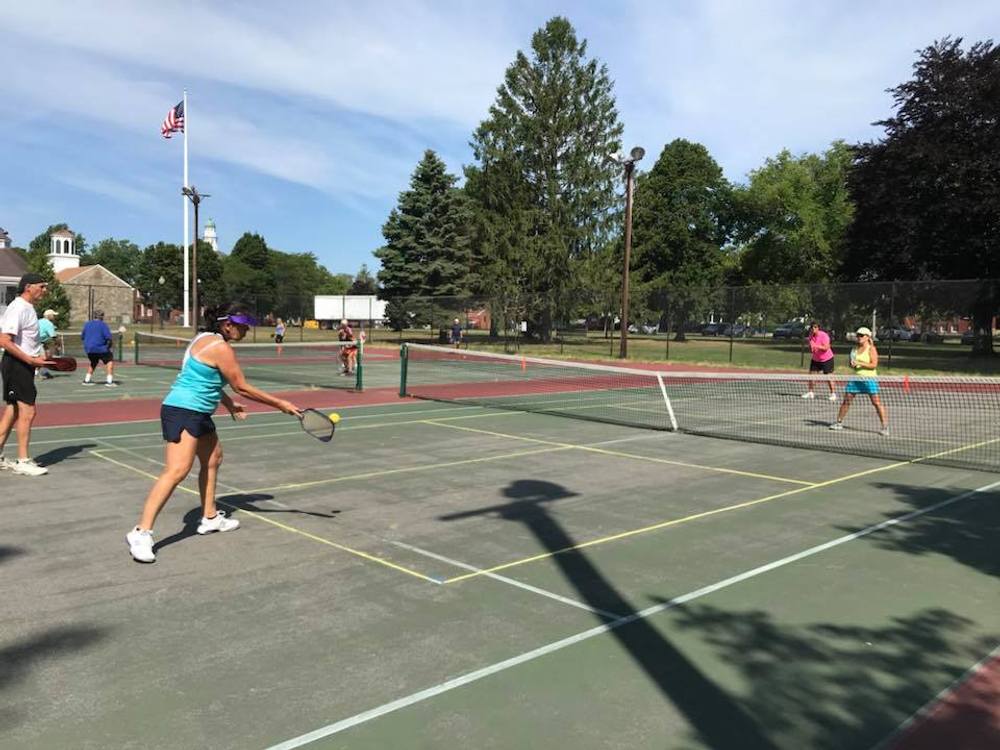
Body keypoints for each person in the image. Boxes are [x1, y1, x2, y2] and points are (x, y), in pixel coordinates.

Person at [125, 303, 302, 563]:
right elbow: (241, 386)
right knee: (177, 470)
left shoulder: (205, 338)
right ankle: (141, 532)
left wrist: (229, 404)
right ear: (226, 325)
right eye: (242, 325)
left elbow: (208, 379)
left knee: (213, 458)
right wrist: (281, 404)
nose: (245, 330)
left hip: (198, 411)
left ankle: (209, 517)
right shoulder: (220, 347)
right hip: (183, 410)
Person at [0, 273, 54, 476]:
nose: (45, 290)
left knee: (13, 411)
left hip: (24, 365)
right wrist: (30, 360)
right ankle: (23, 460)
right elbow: (4, 340)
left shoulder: (29, 308)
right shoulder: (18, 307)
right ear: (28, 287)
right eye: (42, 286)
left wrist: (35, 360)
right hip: (17, 365)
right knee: (28, 411)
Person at [830, 326, 888, 436]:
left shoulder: (871, 349)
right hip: (856, 379)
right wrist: (852, 364)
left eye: (861, 335)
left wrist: (860, 363)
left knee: (876, 402)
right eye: (858, 335)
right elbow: (852, 364)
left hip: (869, 379)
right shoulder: (854, 350)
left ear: (867, 337)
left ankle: (885, 426)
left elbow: (873, 365)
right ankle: (839, 422)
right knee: (846, 400)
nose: (859, 337)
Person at [802, 321, 837, 401]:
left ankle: (833, 393)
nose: (813, 329)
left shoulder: (824, 336)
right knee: (812, 375)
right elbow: (811, 348)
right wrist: (812, 348)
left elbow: (826, 348)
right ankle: (810, 392)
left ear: (818, 328)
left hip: (827, 359)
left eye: (815, 327)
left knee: (829, 376)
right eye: (812, 327)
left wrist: (816, 346)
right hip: (816, 359)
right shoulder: (810, 336)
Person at [81, 310, 117, 387]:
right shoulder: (103, 325)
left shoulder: (87, 324)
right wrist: (109, 346)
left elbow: (82, 337)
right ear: (102, 317)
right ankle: (109, 382)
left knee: (94, 362)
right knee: (109, 361)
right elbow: (108, 338)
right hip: (100, 348)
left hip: (89, 349)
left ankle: (86, 380)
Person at [37, 309, 58, 379]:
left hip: (36, 341)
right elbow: (53, 336)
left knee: (45, 356)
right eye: (53, 315)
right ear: (49, 316)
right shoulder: (49, 324)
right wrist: (58, 344)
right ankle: (40, 373)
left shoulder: (39, 321)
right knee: (43, 358)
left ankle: (44, 372)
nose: (54, 317)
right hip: (37, 342)